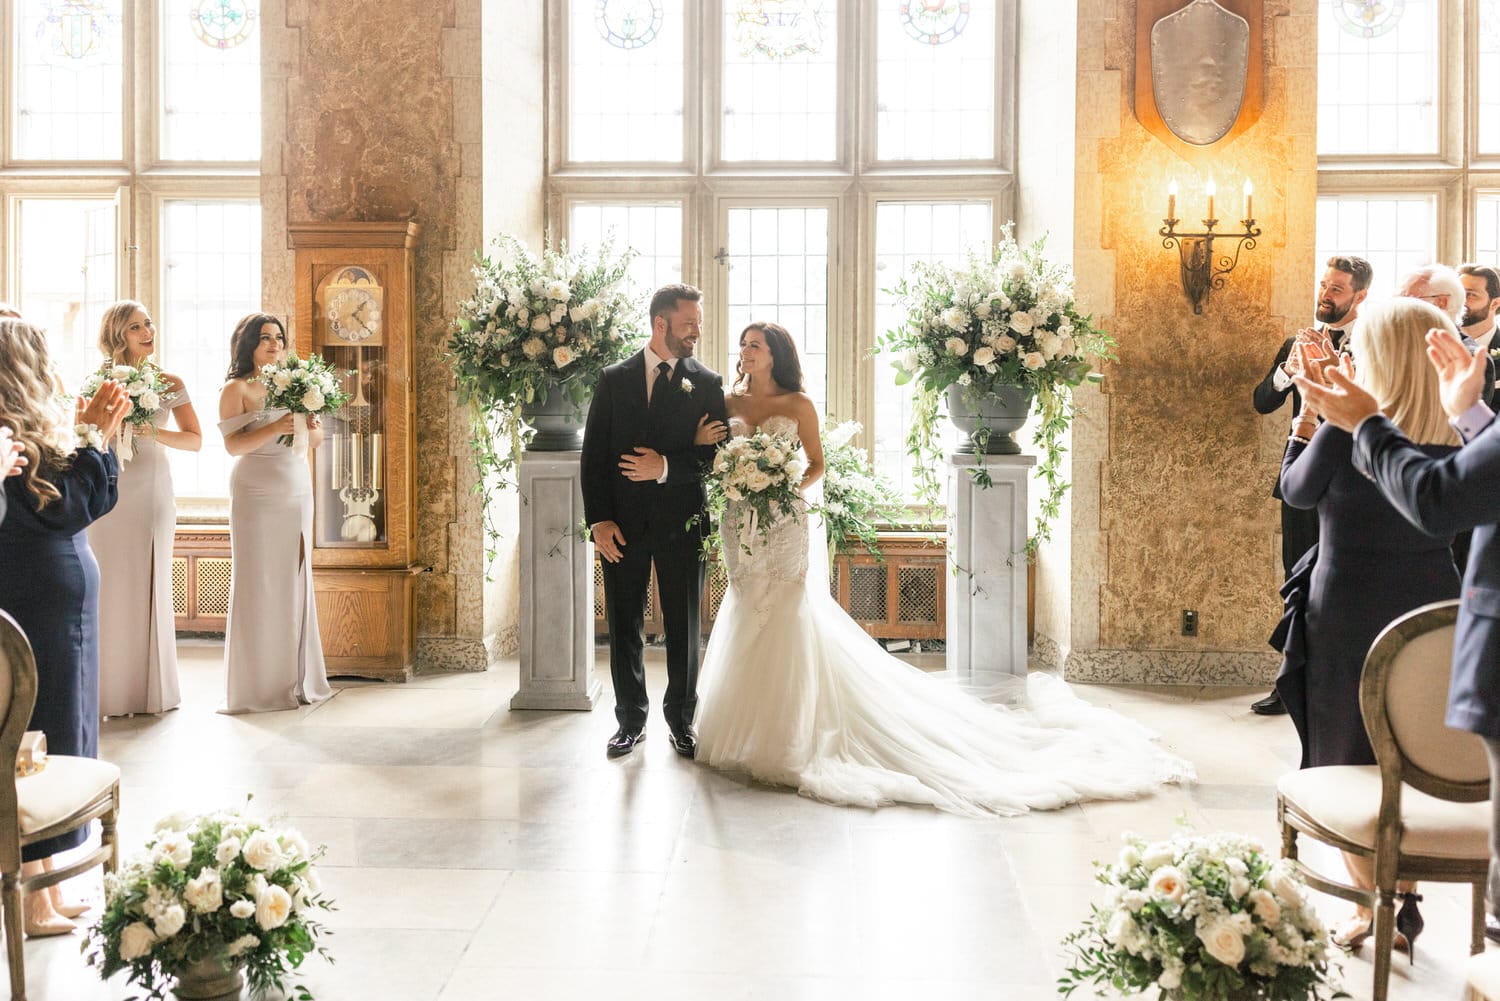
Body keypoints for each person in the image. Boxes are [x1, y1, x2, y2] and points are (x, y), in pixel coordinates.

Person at [692, 322, 1191, 815]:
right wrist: (724, 467)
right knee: (745, 600)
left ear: (775, 354)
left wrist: (784, 489)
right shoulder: (729, 403)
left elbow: (817, 464)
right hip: (740, 522)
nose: (745, 351)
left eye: (755, 345)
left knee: (784, 607)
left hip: (784, 522)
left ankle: (786, 732)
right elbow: (710, 455)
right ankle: (742, 728)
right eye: (743, 345)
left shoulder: (798, 405)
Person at [1299, 319, 1500, 958]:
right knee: (1415, 750)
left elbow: (1296, 491)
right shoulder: (1456, 439)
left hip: (1348, 607)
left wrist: (1318, 422)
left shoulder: (1352, 432)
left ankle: (1377, 907)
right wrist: (1469, 414)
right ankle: (1409, 896)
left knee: (1344, 755)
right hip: (1433, 603)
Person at [0, 318, 128, 935]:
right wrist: (98, 439)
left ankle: (46, 893)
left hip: (59, 602)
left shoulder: (26, 427)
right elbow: (67, 506)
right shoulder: (7, 436)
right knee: (38, 733)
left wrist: (91, 437)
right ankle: (29, 899)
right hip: (35, 600)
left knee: (58, 733)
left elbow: (89, 499)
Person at [581, 284, 729, 759]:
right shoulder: (613, 379)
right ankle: (629, 722)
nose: (698, 333)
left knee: (684, 626)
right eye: (690, 324)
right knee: (624, 623)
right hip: (621, 525)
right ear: (660, 324)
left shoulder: (706, 382)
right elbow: (595, 457)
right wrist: (599, 521)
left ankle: (682, 721)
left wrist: (663, 466)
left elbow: (716, 458)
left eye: (699, 324)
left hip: (682, 521)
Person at [1251, 256, 1372, 716]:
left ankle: (1344, 689)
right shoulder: (1296, 342)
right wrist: (1289, 372)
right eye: (1324, 285)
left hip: (1355, 479)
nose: (1326, 294)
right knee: (1296, 580)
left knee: (1345, 582)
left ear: (1360, 296)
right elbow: (1263, 402)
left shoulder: (1374, 345)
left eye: (1337, 288)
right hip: (1300, 475)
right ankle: (1290, 684)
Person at [88, 301, 201, 716]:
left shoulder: (169, 382)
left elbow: (195, 439)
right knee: (110, 584)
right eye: (136, 327)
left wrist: (153, 430)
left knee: (150, 583)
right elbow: (85, 437)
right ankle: (108, 689)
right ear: (119, 336)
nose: (147, 331)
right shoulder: (97, 383)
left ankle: (150, 691)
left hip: (151, 490)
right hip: (109, 491)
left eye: (149, 323)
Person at [218, 313, 331, 713]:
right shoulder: (237, 388)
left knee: (294, 578)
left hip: (296, 487)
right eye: (265, 338)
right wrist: (276, 425)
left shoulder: (297, 384)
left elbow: (314, 439)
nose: (273, 344)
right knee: (258, 579)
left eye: (279, 337)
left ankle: (296, 679)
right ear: (248, 343)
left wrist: (309, 422)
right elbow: (234, 446)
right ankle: (258, 685)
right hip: (255, 489)